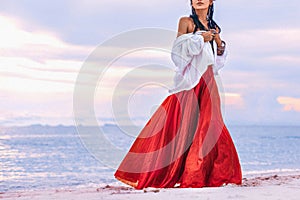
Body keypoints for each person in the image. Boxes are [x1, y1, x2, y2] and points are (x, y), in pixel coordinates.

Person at [114, 0, 242, 189]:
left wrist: (218, 42)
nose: (199, 0)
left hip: (208, 80)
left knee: (211, 125)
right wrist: (200, 38)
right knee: (181, 125)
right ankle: (182, 174)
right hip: (191, 80)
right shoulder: (186, 22)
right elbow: (177, 52)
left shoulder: (214, 27)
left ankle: (211, 174)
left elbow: (215, 59)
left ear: (211, 1)